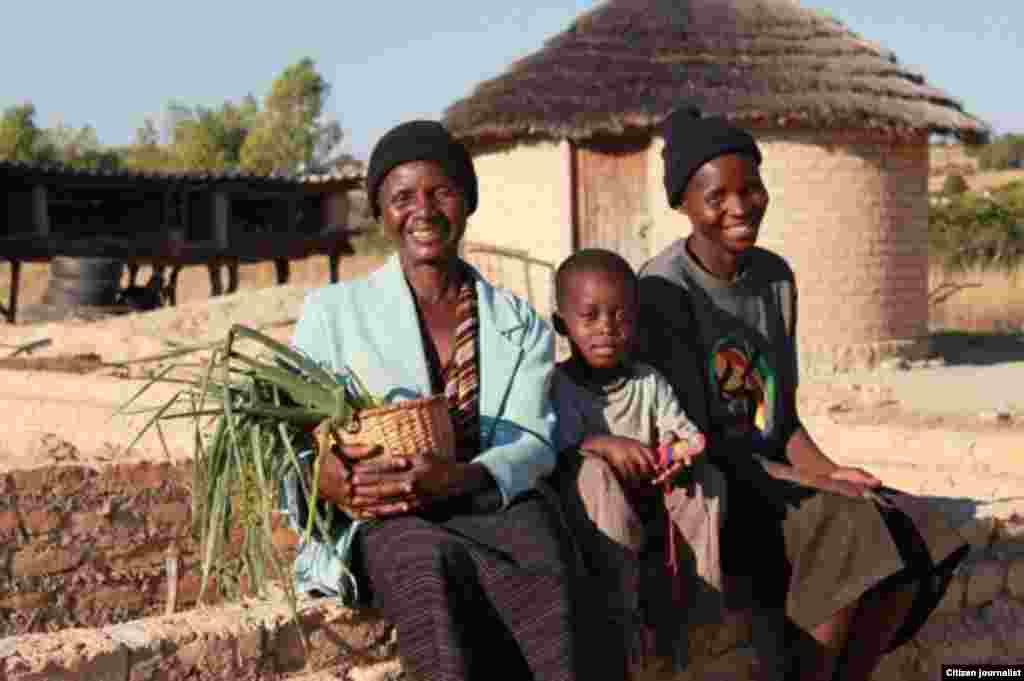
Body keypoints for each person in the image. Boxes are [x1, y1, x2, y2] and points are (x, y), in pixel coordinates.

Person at [637, 107, 969, 681]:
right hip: (712, 485)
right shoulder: (665, 292)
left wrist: (834, 471)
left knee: (915, 528)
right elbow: (702, 443)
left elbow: (781, 418)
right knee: (853, 531)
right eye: (717, 197)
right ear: (683, 205)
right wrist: (816, 486)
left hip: (774, 476)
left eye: (752, 189)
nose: (740, 208)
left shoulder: (774, 279)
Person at [282, 120, 582, 681]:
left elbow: (534, 441)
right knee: (422, 563)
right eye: (402, 198)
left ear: (466, 202)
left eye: (441, 192)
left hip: (488, 503)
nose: (423, 209)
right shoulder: (333, 314)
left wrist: (460, 478)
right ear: (381, 212)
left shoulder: (518, 323)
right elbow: (292, 438)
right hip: (390, 514)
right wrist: (323, 475)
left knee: (542, 551)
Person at [549, 248, 726, 679]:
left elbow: (687, 436)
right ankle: (625, 618)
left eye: (621, 317)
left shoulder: (648, 381)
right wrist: (604, 445)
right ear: (562, 325)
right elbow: (557, 447)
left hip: (653, 497)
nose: (607, 329)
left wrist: (679, 454)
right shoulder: (558, 385)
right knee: (592, 472)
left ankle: (702, 607)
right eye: (589, 316)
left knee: (706, 479)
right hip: (596, 516)